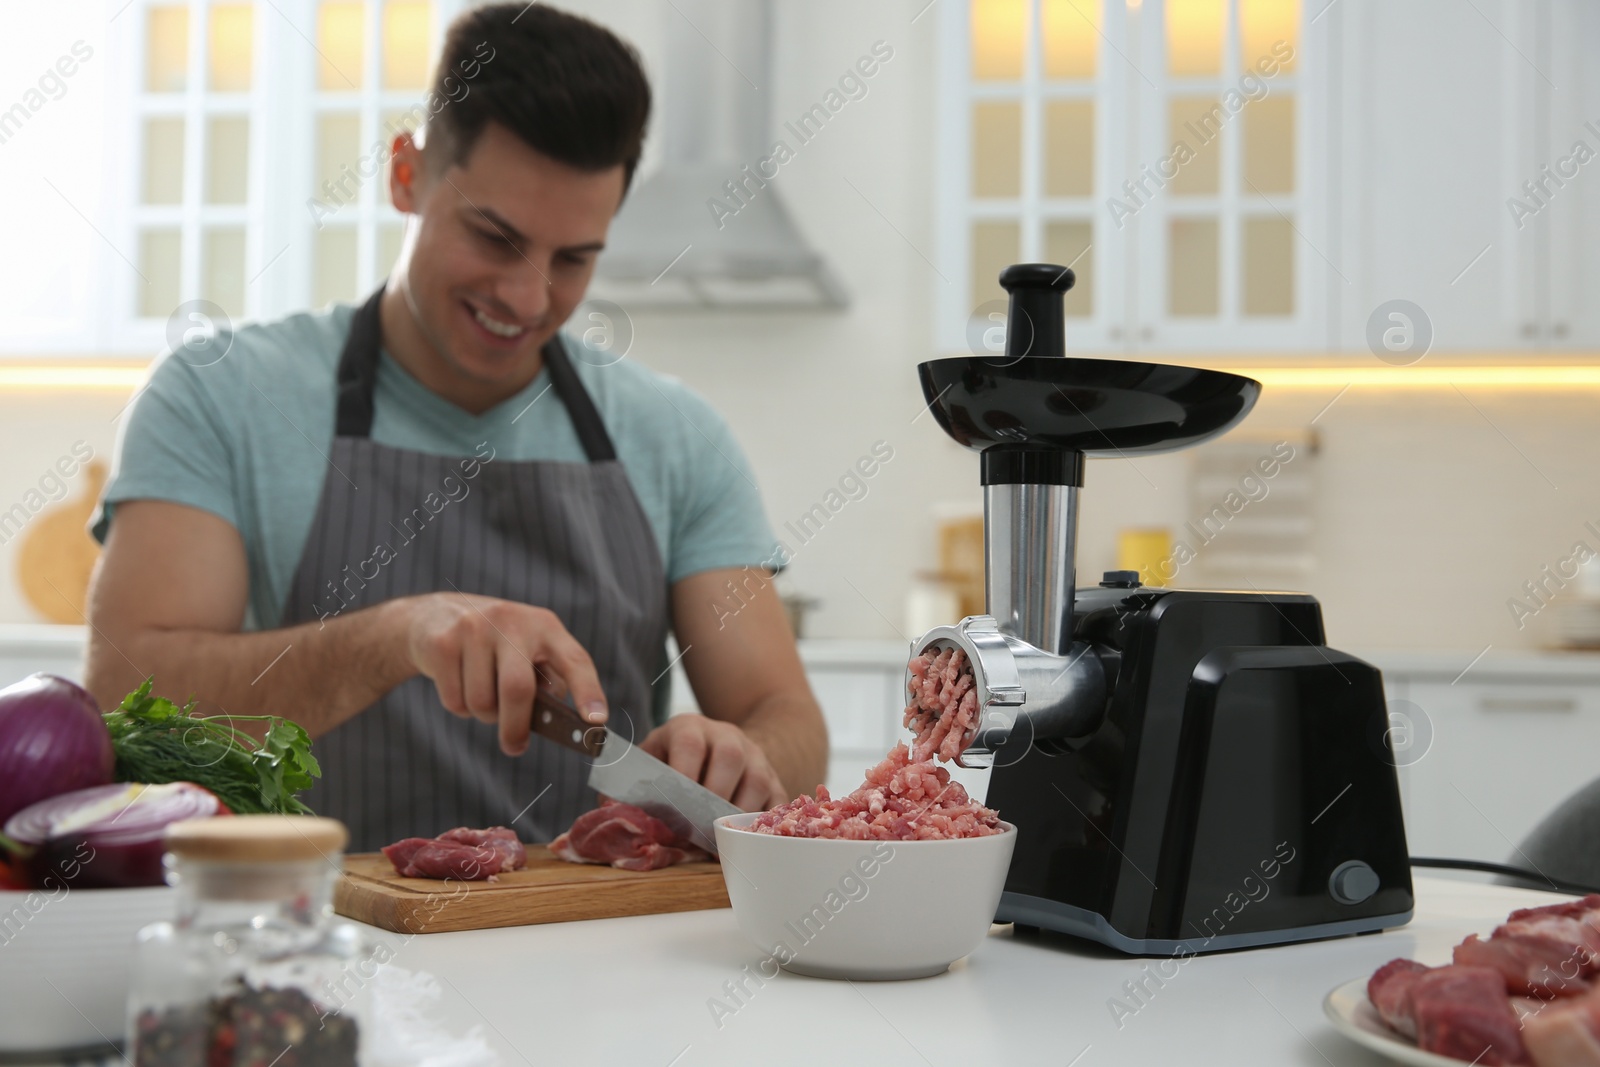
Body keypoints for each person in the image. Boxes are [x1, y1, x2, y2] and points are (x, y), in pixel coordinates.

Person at [84, 4, 827, 851]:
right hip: (314, 944)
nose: (527, 296)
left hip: (598, 943)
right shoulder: (219, 397)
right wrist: (393, 637)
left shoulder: (676, 435)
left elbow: (790, 719)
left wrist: (747, 753)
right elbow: (122, 701)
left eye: (573, 258)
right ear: (406, 174)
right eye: (493, 236)